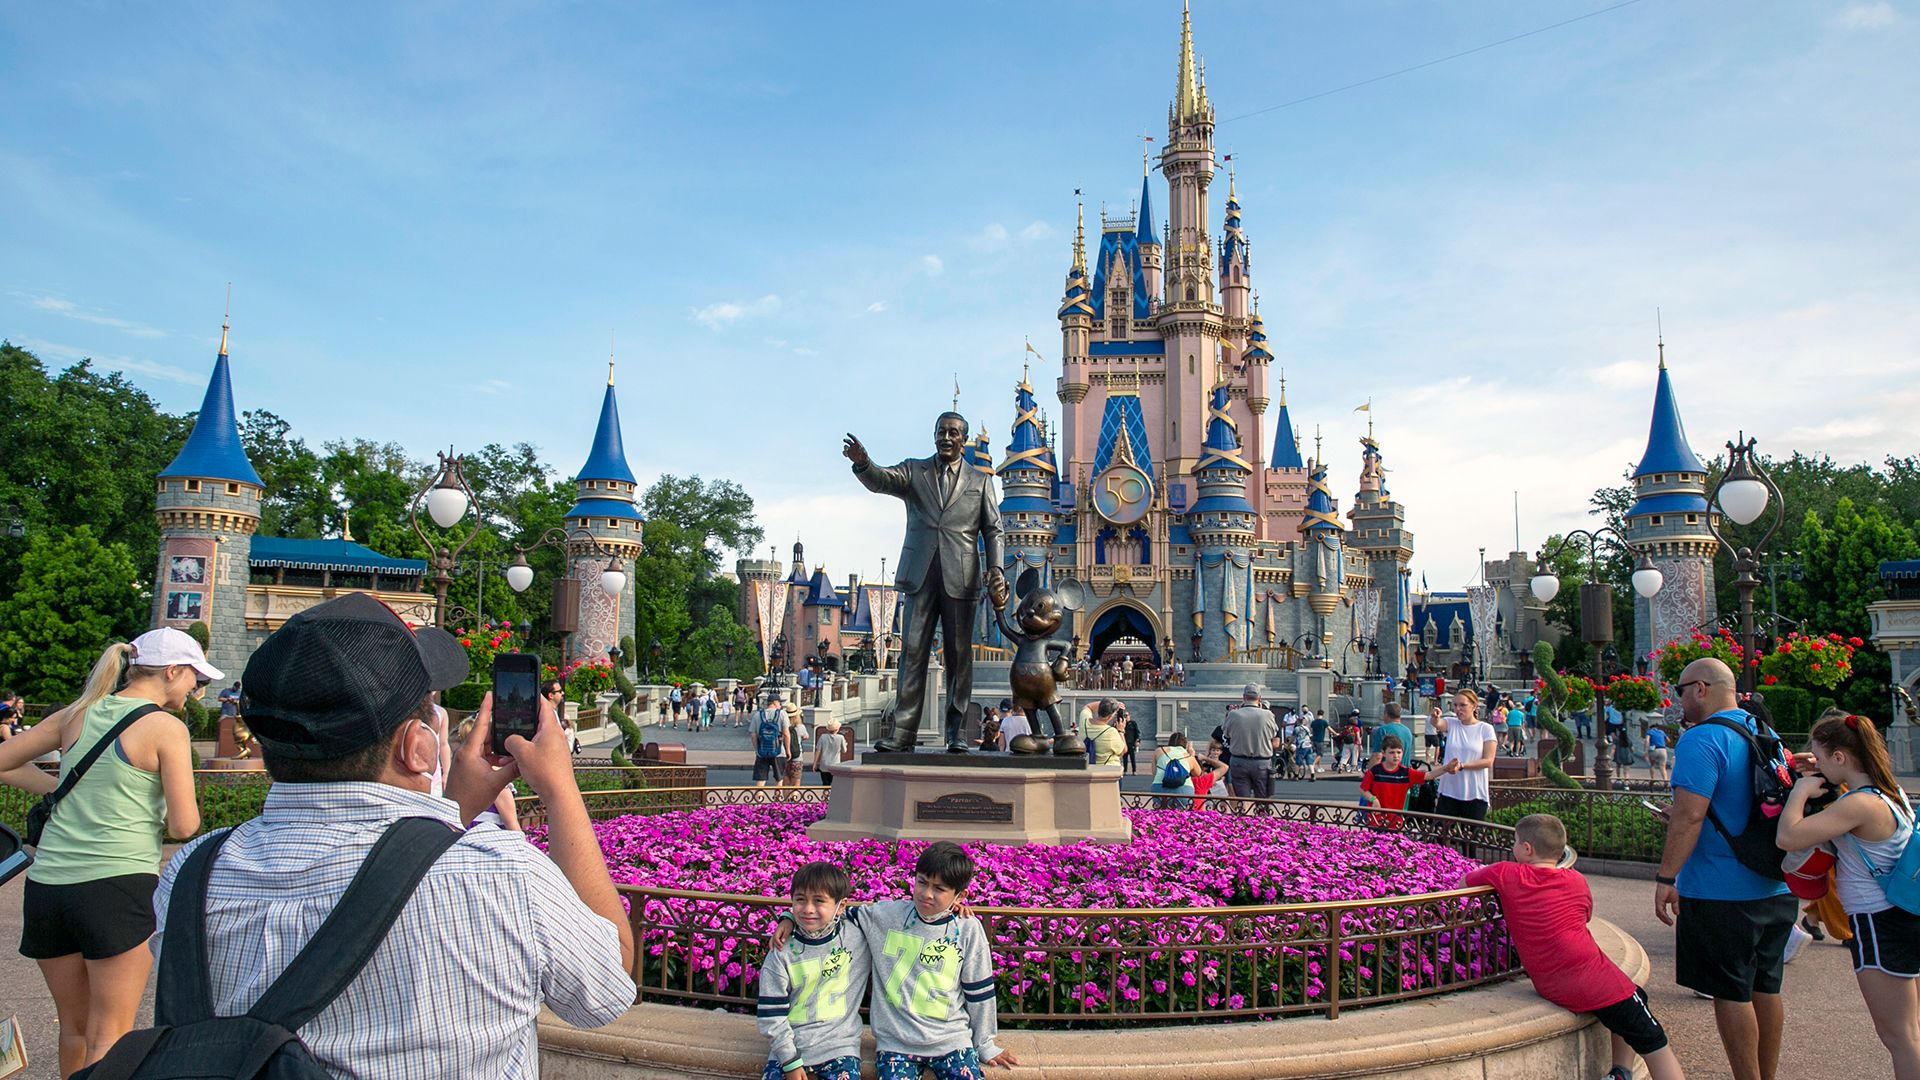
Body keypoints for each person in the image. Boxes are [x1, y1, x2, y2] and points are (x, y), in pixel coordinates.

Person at [140, 592, 634, 1077]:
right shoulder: (505, 875)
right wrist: (560, 788)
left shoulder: (194, 872)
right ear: (419, 746)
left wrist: (451, 808)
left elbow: (398, 868)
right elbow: (608, 985)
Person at [0, 629, 211, 1075]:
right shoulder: (165, 728)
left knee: (73, 1029)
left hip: (48, 888)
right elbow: (184, 825)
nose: (196, 689)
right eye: (195, 677)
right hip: (118, 888)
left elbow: (5, 761)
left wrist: (57, 787)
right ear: (172, 671)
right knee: (110, 1034)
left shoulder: (75, 714)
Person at [1654, 657, 1795, 1080]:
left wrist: (1666, 877)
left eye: (1680, 690)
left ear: (1701, 688)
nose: (1677, 699)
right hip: (1774, 883)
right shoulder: (1763, 730)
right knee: (1766, 986)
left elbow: (1690, 817)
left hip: (1721, 889)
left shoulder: (1702, 739)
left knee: (1730, 991)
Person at [1463, 815, 1686, 1080]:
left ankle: (1620, 1072)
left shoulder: (1504, 873)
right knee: (1655, 1043)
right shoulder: (1575, 880)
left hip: (1554, 982)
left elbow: (1464, 883)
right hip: (1591, 980)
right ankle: (1625, 1070)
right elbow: (1584, 915)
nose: (1513, 846)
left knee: (1636, 997)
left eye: (1515, 841)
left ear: (1527, 849)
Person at [1776, 713, 1920, 1078]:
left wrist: (1799, 792)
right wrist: (1809, 769)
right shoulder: (1889, 793)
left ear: (1840, 757)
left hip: (1879, 924)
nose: (1818, 763)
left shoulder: (1858, 805)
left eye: (1822, 757)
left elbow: (1788, 838)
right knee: (1910, 1032)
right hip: (1902, 916)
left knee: (1899, 1037)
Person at [757, 861, 870, 1080]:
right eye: (800, 900)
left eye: (819, 901)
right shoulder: (781, 951)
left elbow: (895, 915)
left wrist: (954, 906)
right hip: (790, 1047)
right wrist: (789, 1061)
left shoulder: (857, 936)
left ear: (841, 906)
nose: (808, 909)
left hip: (840, 1049)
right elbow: (771, 1015)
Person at [1433, 689, 1498, 821]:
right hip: (1449, 790)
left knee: (1470, 836)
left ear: (1474, 706)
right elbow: (1437, 724)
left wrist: (1462, 765)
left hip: (1474, 792)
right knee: (1442, 834)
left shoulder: (1485, 729)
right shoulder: (1452, 723)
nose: (1458, 709)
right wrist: (1435, 716)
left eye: (1463, 705)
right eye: (1455, 705)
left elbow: (1488, 761)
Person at [1222, 685, 1280, 799]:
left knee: (1242, 800)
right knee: (1262, 799)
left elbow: (1226, 734)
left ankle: (1245, 816)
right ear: (1260, 698)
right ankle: (1261, 816)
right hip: (1261, 762)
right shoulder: (1267, 715)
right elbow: (1273, 735)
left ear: (1244, 697)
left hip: (1239, 761)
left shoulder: (1233, 714)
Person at [1360, 736, 1428, 831]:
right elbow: (1363, 789)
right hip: (1376, 819)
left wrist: (1445, 768)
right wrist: (1373, 799)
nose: (1396, 756)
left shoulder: (1406, 772)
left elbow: (1428, 776)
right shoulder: (1375, 771)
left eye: (1398, 752)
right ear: (1383, 753)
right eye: (1392, 752)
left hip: (1395, 820)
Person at [751, 693, 790, 788]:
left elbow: (753, 735)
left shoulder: (757, 715)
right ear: (775, 703)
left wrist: (757, 750)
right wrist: (788, 750)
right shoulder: (782, 714)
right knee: (779, 779)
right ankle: (777, 802)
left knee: (761, 779)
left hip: (762, 751)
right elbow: (786, 734)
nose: (780, 705)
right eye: (780, 703)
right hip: (778, 751)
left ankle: (758, 802)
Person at [1152, 732, 1197, 808]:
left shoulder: (1159, 751)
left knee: (1160, 815)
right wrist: (1192, 755)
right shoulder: (1188, 755)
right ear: (1185, 744)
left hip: (1160, 787)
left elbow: (1154, 773)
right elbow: (1198, 773)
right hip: (1184, 789)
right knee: (1182, 816)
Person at [1368, 703, 1414, 772]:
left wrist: (1369, 774)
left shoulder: (1383, 730)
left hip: (1388, 774)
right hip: (1405, 774)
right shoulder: (1407, 731)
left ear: (1386, 714)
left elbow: (1377, 756)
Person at [1087, 701, 1127, 766]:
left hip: (1090, 767)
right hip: (1108, 769)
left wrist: (1107, 703)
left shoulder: (1085, 722)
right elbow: (1122, 751)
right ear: (1110, 716)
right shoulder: (1111, 732)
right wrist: (1121, 731)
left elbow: (1088, 706)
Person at [813, 719, 846, 787]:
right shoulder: (841, 738)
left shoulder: (823, 737)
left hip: (824, 764)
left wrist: (815, 763)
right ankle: (833, 797)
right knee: (834, 784)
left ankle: (825, 796)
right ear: (837, 729)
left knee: (825, 784)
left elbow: (818, 750)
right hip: (835, 764)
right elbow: (844, 750)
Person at [1121, 708, 1142, 775]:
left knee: (1132, 758)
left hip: (1131, 743)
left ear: (1129, 716)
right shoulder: (1122, 724)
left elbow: (1137, 733)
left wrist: (1137, 741)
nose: (1126, 717)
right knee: (1125, 758)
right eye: (1124, 716)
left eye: (1127, 715)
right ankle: (1125, 771)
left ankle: (1134, 770)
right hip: (1124, 743)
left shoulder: (1133, 723)